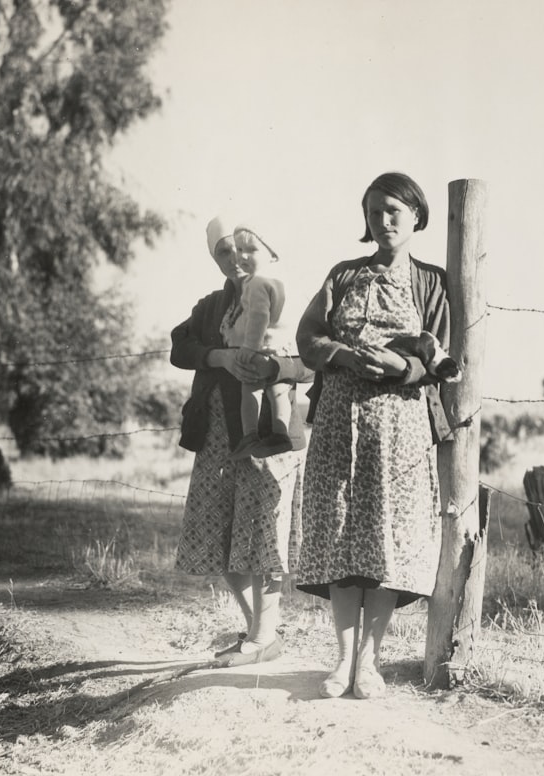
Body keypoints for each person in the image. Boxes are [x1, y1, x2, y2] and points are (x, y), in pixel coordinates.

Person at [295, 172, 455, 699]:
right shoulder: (343, 275)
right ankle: (341, 662)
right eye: (373, 212)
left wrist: (399, 365)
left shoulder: (431, 282)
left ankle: (370, 663)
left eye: (393, 211)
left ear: (416, 216)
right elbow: (309, 336)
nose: (383, 222)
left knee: (385, 540)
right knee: (342, 537)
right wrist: (343, 355)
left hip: (400, 429)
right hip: (340, 424)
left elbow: (441, 357)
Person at [171, 215, 314, 665]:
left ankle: (261, 636)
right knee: (219, 536)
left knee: (261, 536)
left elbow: (310, 363)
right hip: (216, 437)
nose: (234, 259)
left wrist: (274, 369)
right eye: (223, 252)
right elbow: (179, 346)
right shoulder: (212, 306)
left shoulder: (280, 293)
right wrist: (220, 356)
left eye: (240, 249)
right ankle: (261, 633)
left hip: (265, 437)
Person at [223, 224, 294, 460]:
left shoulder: (256, 282)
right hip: (283, 349)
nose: (242, 256)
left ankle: (249, 435)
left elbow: (259, 317)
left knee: (249, 387)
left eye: (251, 250)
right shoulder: (281, 280)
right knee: (279, 391)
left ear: (271, 254)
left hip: (262, 346)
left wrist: (249, 347)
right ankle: (281, 433)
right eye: (239, 248)